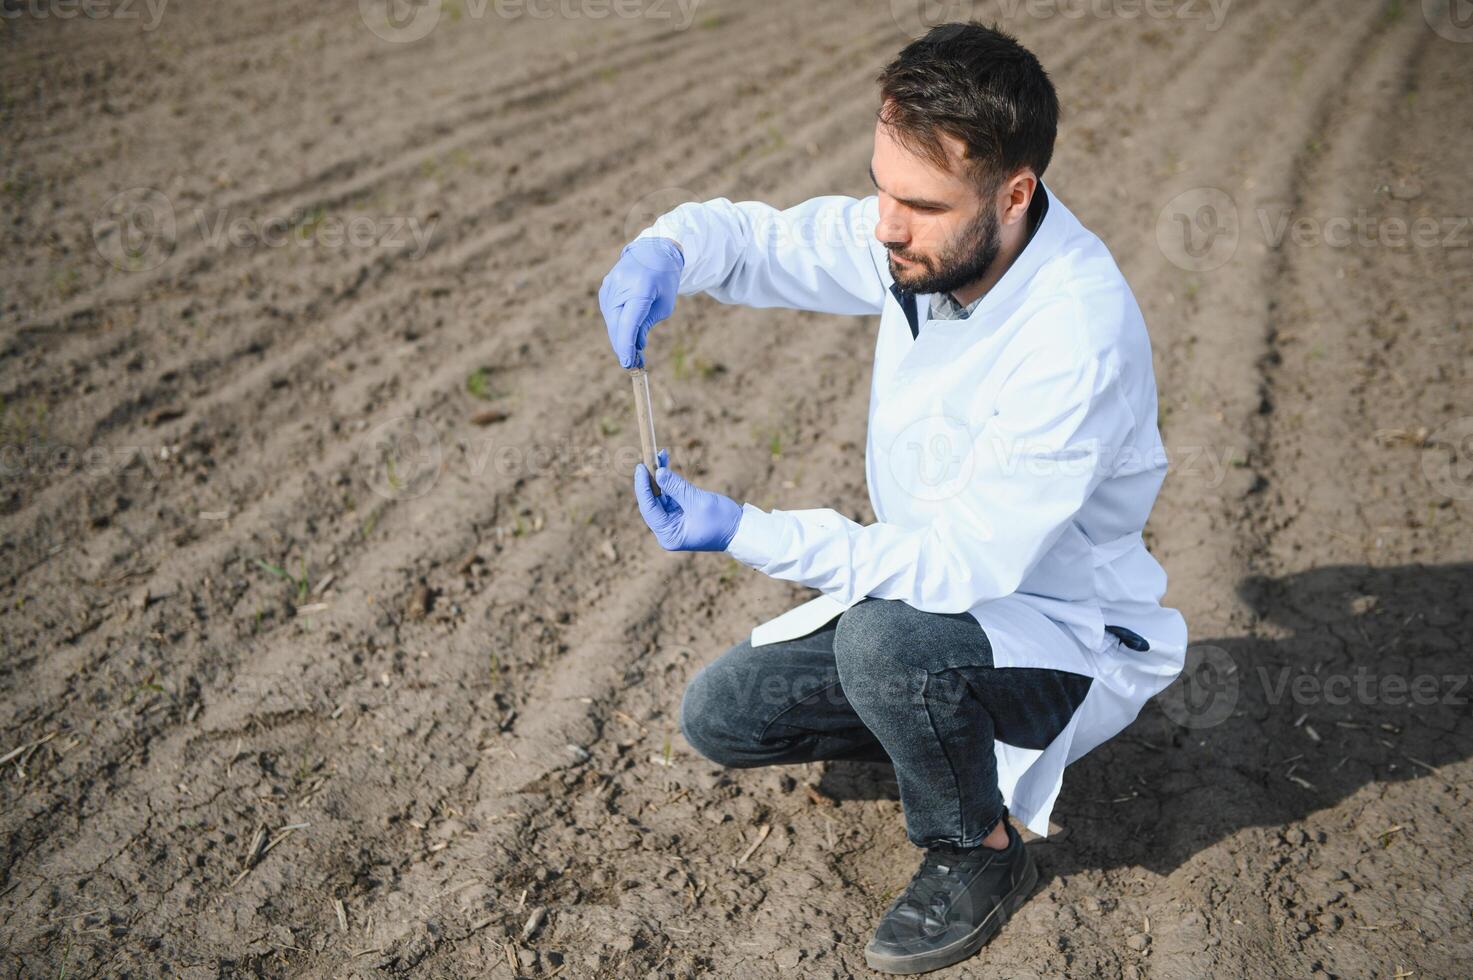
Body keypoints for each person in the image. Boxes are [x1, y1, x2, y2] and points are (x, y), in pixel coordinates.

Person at [598, 21, 1187, 975]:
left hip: (1058, 627)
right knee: (727, 717)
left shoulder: (1074, 336)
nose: (883, 224)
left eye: (916, 203)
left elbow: (960, 569)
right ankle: (937, 728)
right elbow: (757, 242)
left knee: (887, 646)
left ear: (1014, 194)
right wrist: (664, 251)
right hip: (935, 603)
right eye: (881, 186)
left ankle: (976, 850)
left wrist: (746, 530)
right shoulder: (927, 244)